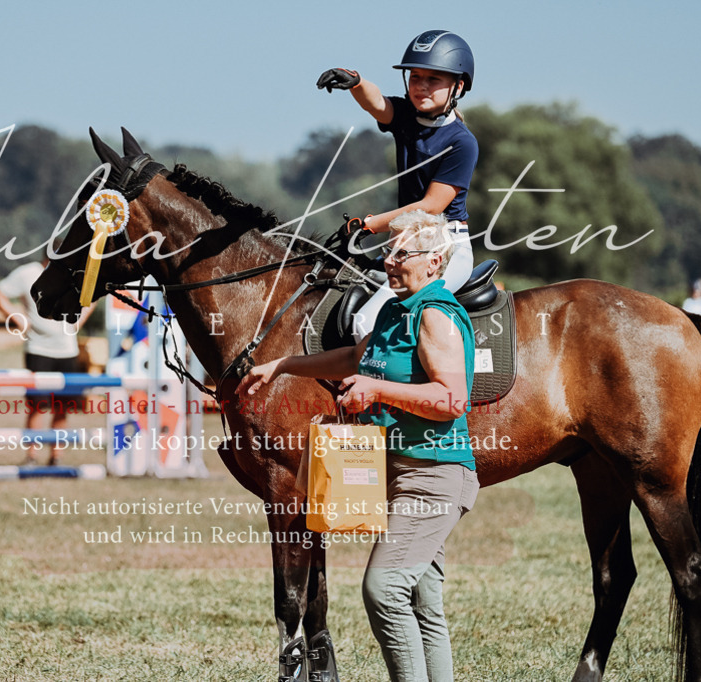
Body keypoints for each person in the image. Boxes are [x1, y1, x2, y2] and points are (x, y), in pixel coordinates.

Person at [240, 211, 479, 682]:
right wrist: (283, 365)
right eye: (388, 251)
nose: (389, 261)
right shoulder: (395, 309)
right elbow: (354, 357)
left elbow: (452, 400)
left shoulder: (435, 315)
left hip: (432, 475)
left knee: (384, 589)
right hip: (401, 473)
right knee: (423, 603)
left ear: (434, 261)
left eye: (401, 253)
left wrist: (378, 390)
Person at [318, 30, 479, 337]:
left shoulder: (462, 143)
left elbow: (431, 207)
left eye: (433, 79)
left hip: (444, 250)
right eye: (415, 77)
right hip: (404, 246)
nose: (421, 85)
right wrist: (356, 82)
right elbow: (377, 103)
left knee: (365, 323)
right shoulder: (406, 116)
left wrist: (369, 225)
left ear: (458, 86)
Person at [0, 243, 93, 466]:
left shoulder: (75, 274)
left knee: (62, 408)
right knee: (38, 407)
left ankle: (57, 457)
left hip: (68, 351)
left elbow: (93, 296)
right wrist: (16, 317)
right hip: (38, 350)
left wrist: (80, 320)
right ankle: (32, 456)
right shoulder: (28, 273)